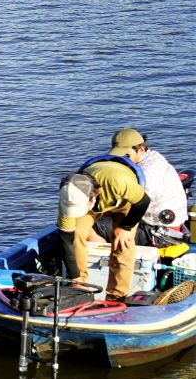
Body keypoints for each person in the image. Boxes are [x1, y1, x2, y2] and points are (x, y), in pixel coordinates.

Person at [57, 128, 150, 300]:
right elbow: (66, 241)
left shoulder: (120, 182)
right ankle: (80, 288)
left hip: (123, 200)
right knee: (77, 233)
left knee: (122, 242)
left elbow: (143, 202)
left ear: (93, 199)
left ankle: (117, 295)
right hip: (93, 191)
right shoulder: (69, 196)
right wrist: (75, 276)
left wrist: (125, 228)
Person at [137, 142, 190, 245]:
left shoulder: (147, 172)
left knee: (104, 226)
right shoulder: (156, 159)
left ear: (141, 149)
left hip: (161, 234)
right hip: (175, 228)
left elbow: (137, 203)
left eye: (127, 154)